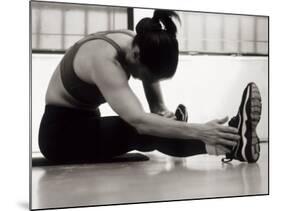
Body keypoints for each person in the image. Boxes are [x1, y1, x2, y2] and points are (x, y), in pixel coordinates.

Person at [38, 10, 262, 164]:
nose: (142, 79)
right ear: (135, 55)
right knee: (138, 129)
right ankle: (231, 144)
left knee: (156, 125)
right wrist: (198, 130)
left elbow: (155, 106)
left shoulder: (142, 43)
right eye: (145, 76)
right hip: (61, 136)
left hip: (87, 122)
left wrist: (164, 116)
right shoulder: (103, 60)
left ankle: (228, 139)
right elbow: (139, 121)